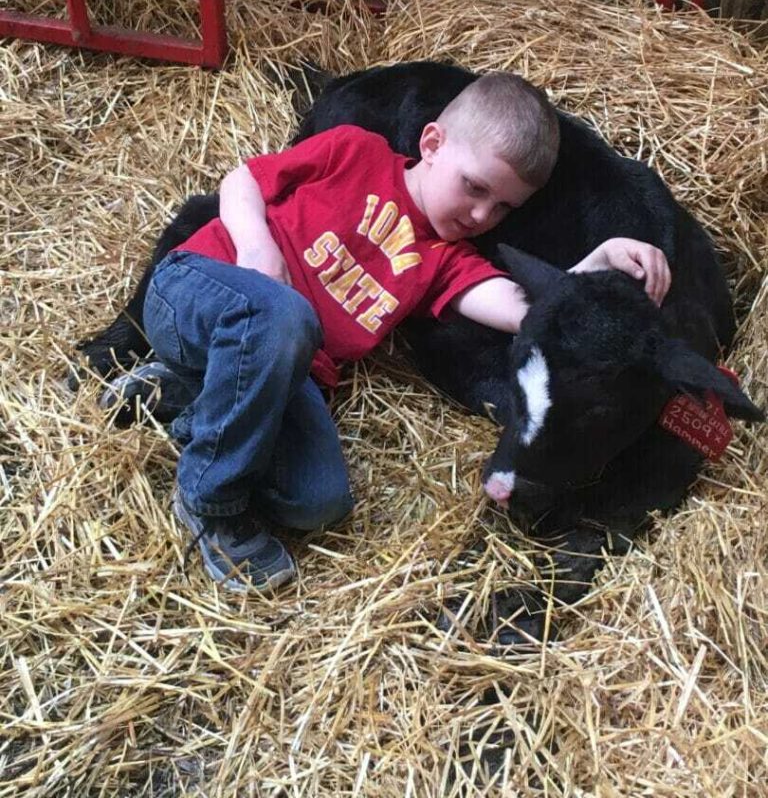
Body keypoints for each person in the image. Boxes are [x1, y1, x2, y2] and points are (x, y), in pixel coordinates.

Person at [106, 73, 670, 592]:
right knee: (285, 314)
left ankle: (189, 394)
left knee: (318, 501)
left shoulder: (447, 261)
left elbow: (525, 308)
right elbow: (242, 182)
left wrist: (591, 270)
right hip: (199, 289)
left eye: (501, 208)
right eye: (474, 187)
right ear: (432, 144)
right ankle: (211, 498)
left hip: (278, 366)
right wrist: (258, 250)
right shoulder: (355, 151)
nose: (480, 216)